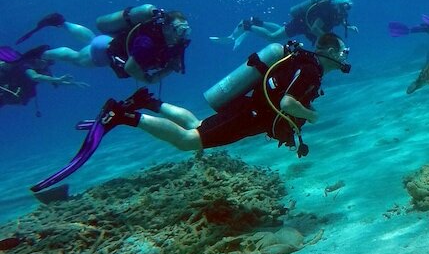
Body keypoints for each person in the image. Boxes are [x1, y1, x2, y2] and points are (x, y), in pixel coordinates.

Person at [30, 34, 351, 193]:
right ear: (331, 52)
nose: (346, 55)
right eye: (343, 51)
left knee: (196, 124)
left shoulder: (305, 63)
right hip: (250, 116)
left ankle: (147, 101)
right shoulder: (310, 69)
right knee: (189, 140)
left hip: (248, 109)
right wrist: (312, 116)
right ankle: (124, 116)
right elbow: (287, 105)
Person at [17, 5, 191, 85]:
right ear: (166, 26)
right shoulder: (147, 43)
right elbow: (131, 68)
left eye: (185, 30)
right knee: (76, 58)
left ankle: (61, 23)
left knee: (92, 39)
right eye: (178, 29)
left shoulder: (172, 38)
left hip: (112, 41)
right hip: (104, 51)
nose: (182, 34)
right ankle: (44, 54)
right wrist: (153, 79)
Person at [213, 0, 357, 49]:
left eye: (347, 7)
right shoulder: (326, 12)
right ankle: (247, 26)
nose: (346, 10)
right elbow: (315, 28)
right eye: (345, 7)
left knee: (283, 31)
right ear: (338, 3)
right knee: (273, 37)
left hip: (303, 25)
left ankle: (258, 22)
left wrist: (348, 27)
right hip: (302, 24)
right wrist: (330, 38)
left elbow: (340, 20)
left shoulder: (338, 11)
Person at [0, 44, 87, 113]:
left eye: (51, 62)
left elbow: (53, 80)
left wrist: (72, 83)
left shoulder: (44, 69)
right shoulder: (25, 64)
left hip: (8, 92)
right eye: (48, 61)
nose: (48, 64)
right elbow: (34, 77)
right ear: (38, 59)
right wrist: (58, 80)